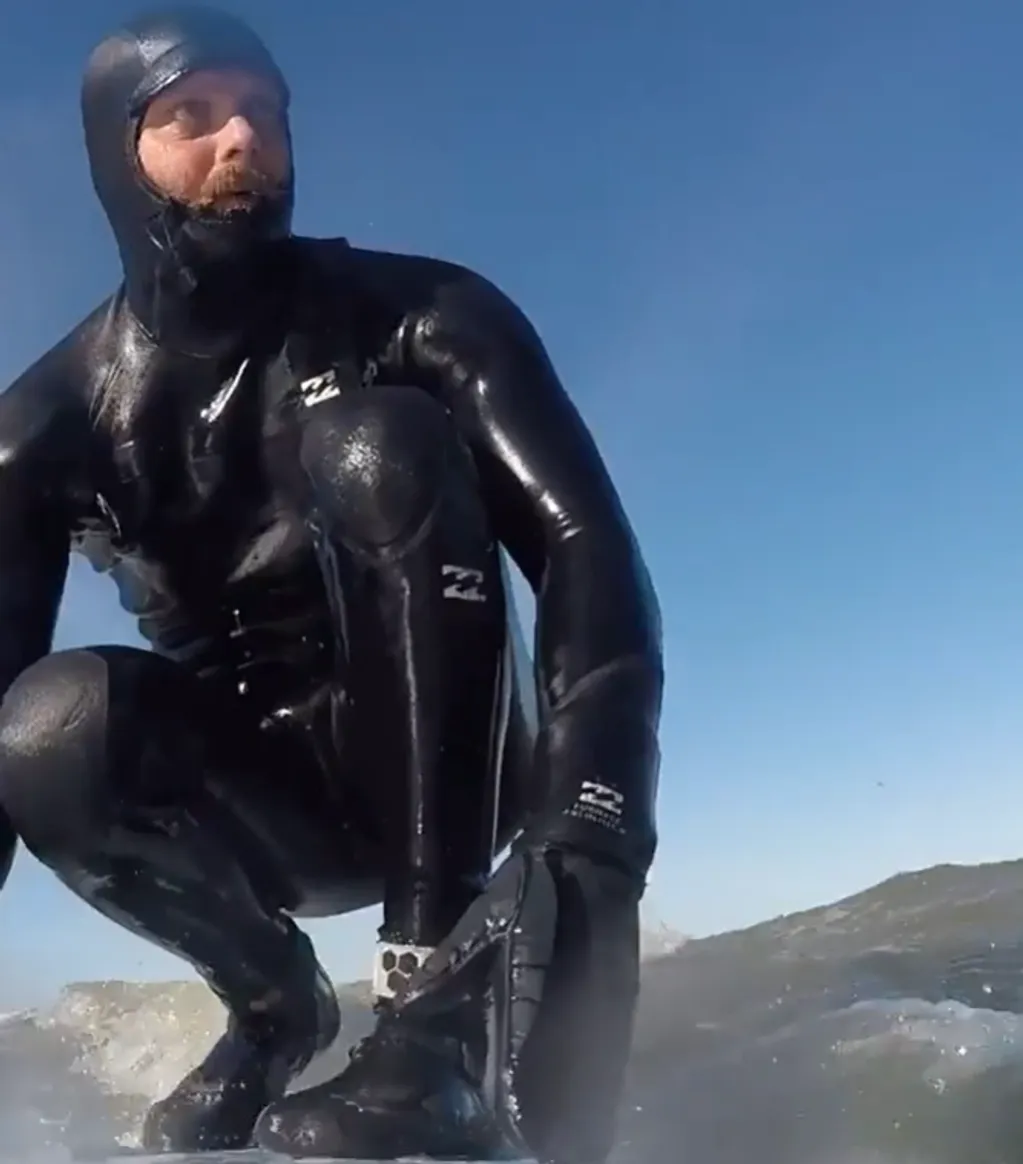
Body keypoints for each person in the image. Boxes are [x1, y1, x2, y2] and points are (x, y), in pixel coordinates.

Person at [0, 7, 663, 1163]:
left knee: (376, 446)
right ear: (119, 156)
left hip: (459, 770)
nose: (241, 140)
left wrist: (597, 842)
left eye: (264, 112)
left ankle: (439, 1008)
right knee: (42, 728)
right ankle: (273, 1010)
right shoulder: (47, 425)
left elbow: (583, 550)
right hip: (265, 816)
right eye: (191, 116)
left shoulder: (425, 313)